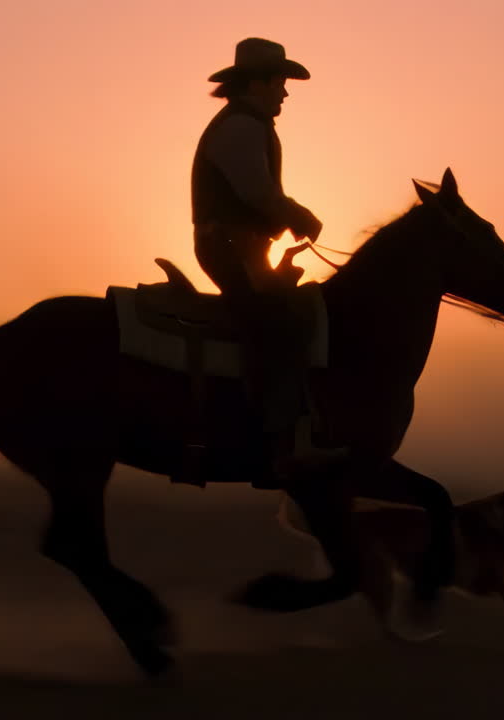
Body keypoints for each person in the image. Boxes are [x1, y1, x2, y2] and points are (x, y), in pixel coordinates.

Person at [191, 38, 324, 485]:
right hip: (232, 247)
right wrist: (298, 215)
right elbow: (256, 193)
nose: (285, 92)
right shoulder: (242, 127)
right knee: (279, 327)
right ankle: (273, 439)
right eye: (281, 82)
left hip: (242, 246)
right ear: (261, 83)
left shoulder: (245, 124)